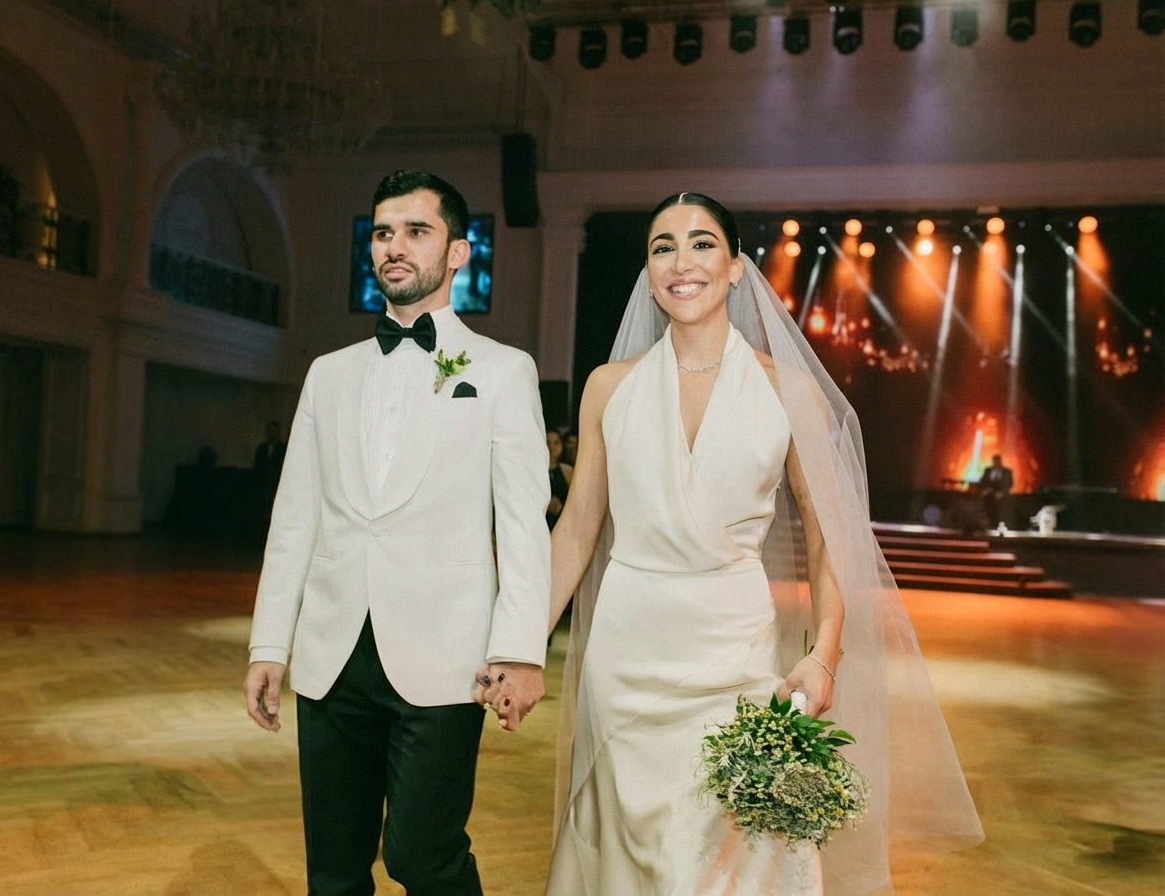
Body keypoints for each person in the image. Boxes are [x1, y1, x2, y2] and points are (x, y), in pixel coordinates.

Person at [479, 193, 982, 895]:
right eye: (662, 247)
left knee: (726, 848)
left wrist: (825, 654)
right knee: (632, 843)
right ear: (648, 272)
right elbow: (577, 528)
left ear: (738, 267)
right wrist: (520, 647)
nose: (681, 262)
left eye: (702, 243)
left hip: (735, 651)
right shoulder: (607, 388)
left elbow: (829, 531)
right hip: (625, 654)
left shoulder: (789, 390)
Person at [244, 169, 551, 895]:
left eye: (417, 231)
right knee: (334, 870)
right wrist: (269, 644)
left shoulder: (503, 372)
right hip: (330, 656)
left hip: (444, 657)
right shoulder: (328, 373)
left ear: (458, 254)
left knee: (423, 857)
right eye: (383, 232)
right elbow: (295, 519)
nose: (394, 247)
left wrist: (519, 652)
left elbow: (521, 523)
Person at [545, 428, 573, 531]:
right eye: (547, 443)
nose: (551, 447)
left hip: (563, 526)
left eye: (556, 443)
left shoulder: (568, 471)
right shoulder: (534, 473)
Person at [980, 453, 1014, 531]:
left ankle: (999, 526)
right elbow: (983, 481)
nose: (996, 463)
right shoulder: (988, 470)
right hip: (989, 495)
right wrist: (985, 490)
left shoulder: (1007, 472)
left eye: (998, 461)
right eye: (995, 461)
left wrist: (1002, 493)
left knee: (999, 506)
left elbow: (1010, 484)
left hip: (1002, 495)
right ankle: (987, 525)